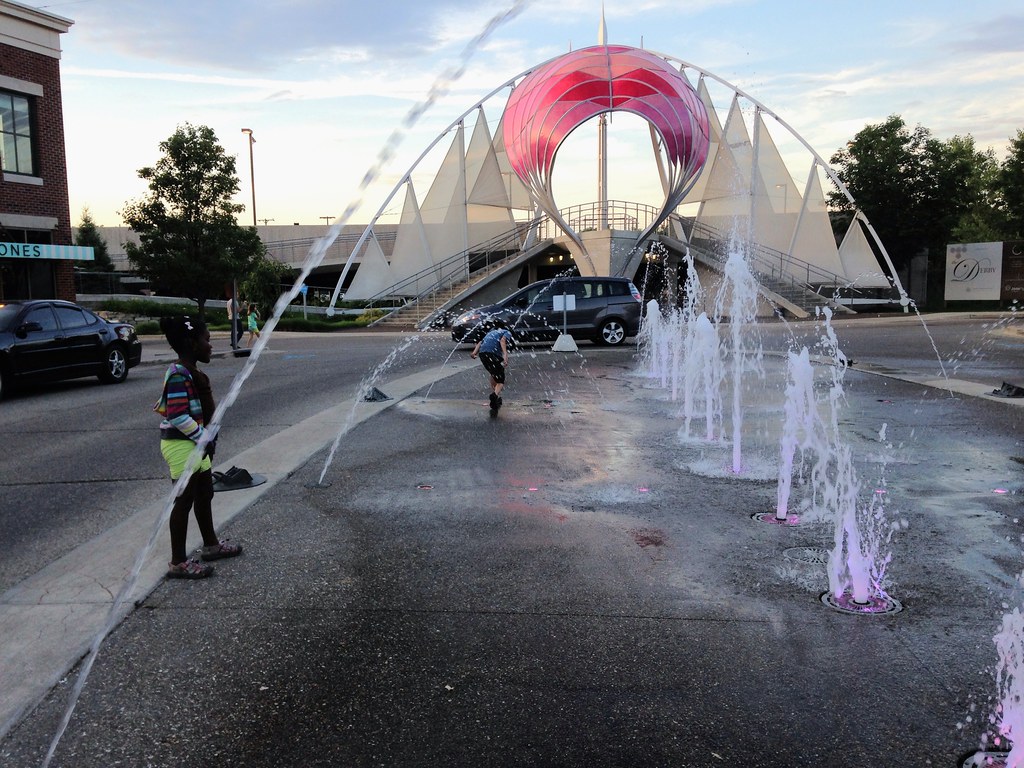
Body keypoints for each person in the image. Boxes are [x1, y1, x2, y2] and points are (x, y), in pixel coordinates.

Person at [154, 316, 243, 579]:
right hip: (183, 446)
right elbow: (178, 415)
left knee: (204, 493)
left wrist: (206, 442)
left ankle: (211, 544)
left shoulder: (191, 370)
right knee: (183, 501)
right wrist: (203, 437)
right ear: (192, 344)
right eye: (207, 340)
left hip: (195, 444)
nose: (210, 346)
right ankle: (178, 562)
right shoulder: (178, 374)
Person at [471, 323, 513, 412]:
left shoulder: (491, 332)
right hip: (493, 354)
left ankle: (495, 396)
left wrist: (474, 352)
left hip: (482, 353)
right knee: (501, 379)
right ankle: (494, 395)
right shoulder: (507, 332)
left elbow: (481, 342)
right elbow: (503, 340)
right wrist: (505, 354)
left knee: (493, 373)